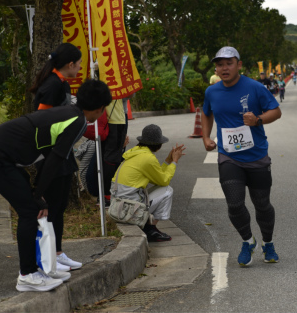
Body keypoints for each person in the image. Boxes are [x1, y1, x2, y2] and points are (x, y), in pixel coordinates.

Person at [0, 79, 112, 292]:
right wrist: (38, 194)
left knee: (34, 207)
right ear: (101, 108)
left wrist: (38, 191)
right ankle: (27, 275)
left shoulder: (68, 112)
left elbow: (48, 156)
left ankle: (42, 268)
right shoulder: (78, 121)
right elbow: (55, 160)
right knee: (29, 211)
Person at [202, 46, 282, 266]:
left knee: (262, 204)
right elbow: (206, 113)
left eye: (229, 63)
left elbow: (276, 111)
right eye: (219, 64)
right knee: (235, 204)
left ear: (239, 65)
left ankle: (268, 243)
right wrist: (206, 137)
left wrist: (258, 120)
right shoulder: (212, 91)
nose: (224, 68)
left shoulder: (255, 88)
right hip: (229, 157)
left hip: (256, 156)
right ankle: (248, 241)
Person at [29, 43, 86, 272]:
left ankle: (58, 252)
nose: (80, 67)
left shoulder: (62, 83)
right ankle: (47, 255)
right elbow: (42, 120)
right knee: (50, 205)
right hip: (50, 153)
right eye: (79, 63)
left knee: (60, 204)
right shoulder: (52, 85)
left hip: (63, 151)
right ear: (70, 64)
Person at [111, 124, 185, 242]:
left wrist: (168, 160)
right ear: (158, 145)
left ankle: (149, 226)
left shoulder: (135, 153)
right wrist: (174, 161)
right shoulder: (148, 158)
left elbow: (157, 177)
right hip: (129, 209)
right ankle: (151, 229)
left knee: (161, 188)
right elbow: (164, 181)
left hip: (118, 205)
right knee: (167, 190)